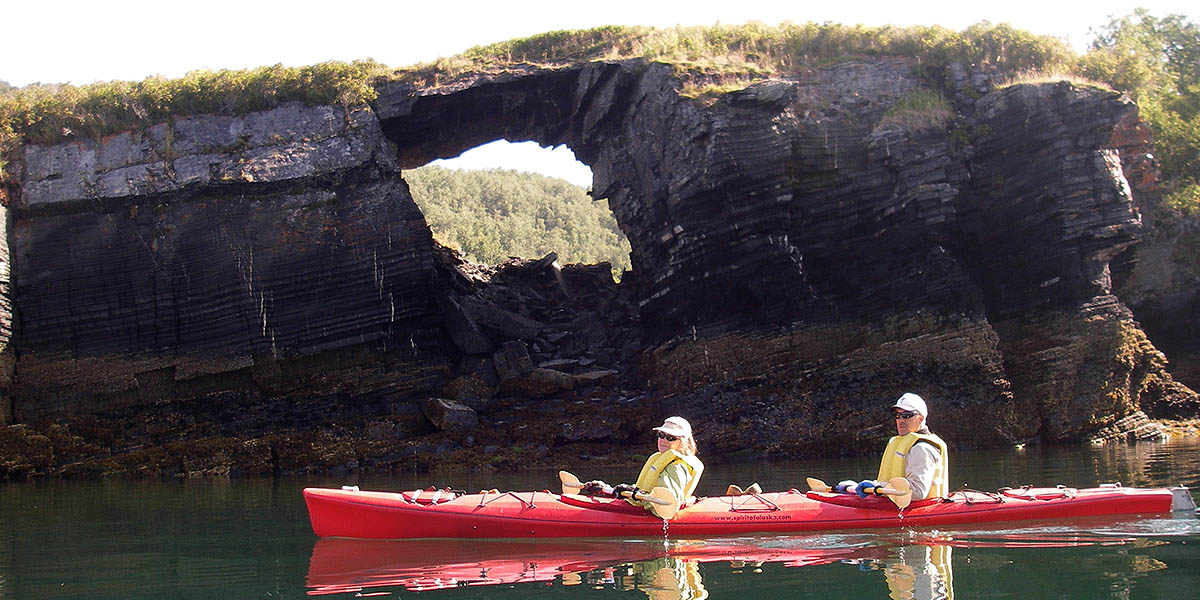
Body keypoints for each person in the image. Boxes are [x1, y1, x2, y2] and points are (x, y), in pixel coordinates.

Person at [837, 393, 949, 501]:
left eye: (907, 415)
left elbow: (917, 492)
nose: (901, 420)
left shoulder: (922, 448)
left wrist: (877, 486)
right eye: (897, 415)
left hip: (919, 508)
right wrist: (857, 487)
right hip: (893, 502)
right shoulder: (902, 442)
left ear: (920, 418)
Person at [582, 416, 705, 511]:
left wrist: (637, 497)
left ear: (683, 442)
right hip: (640, 505)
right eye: (661, 435)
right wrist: (610, 490)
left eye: (671, 438)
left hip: (652, 512)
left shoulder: (677, 467)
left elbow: (666, 506)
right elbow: (646, 490)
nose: (663, 441)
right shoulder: (661, 459)